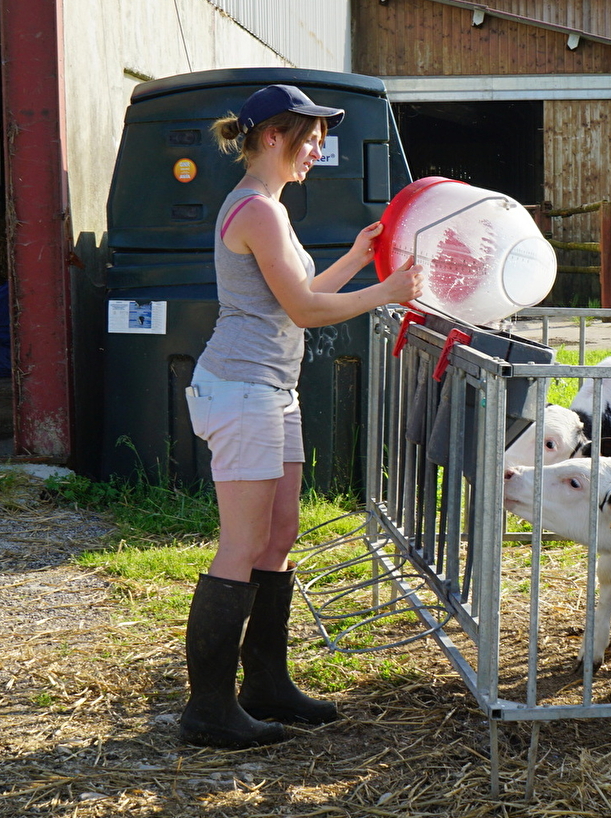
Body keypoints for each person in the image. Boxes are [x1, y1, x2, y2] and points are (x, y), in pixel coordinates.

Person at [180, 84, 421, 748]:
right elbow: (306, 312)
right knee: (242, 545)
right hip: (241, 389)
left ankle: (265, 685)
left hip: (270, 390)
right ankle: (208, 710)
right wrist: (387, 291)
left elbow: (303, 291)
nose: (318, 148)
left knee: (280, 535)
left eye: (320, 136)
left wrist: (357, 256)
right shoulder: (256, 211)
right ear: (272, 137)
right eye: (309, 136)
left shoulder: (270, 211)